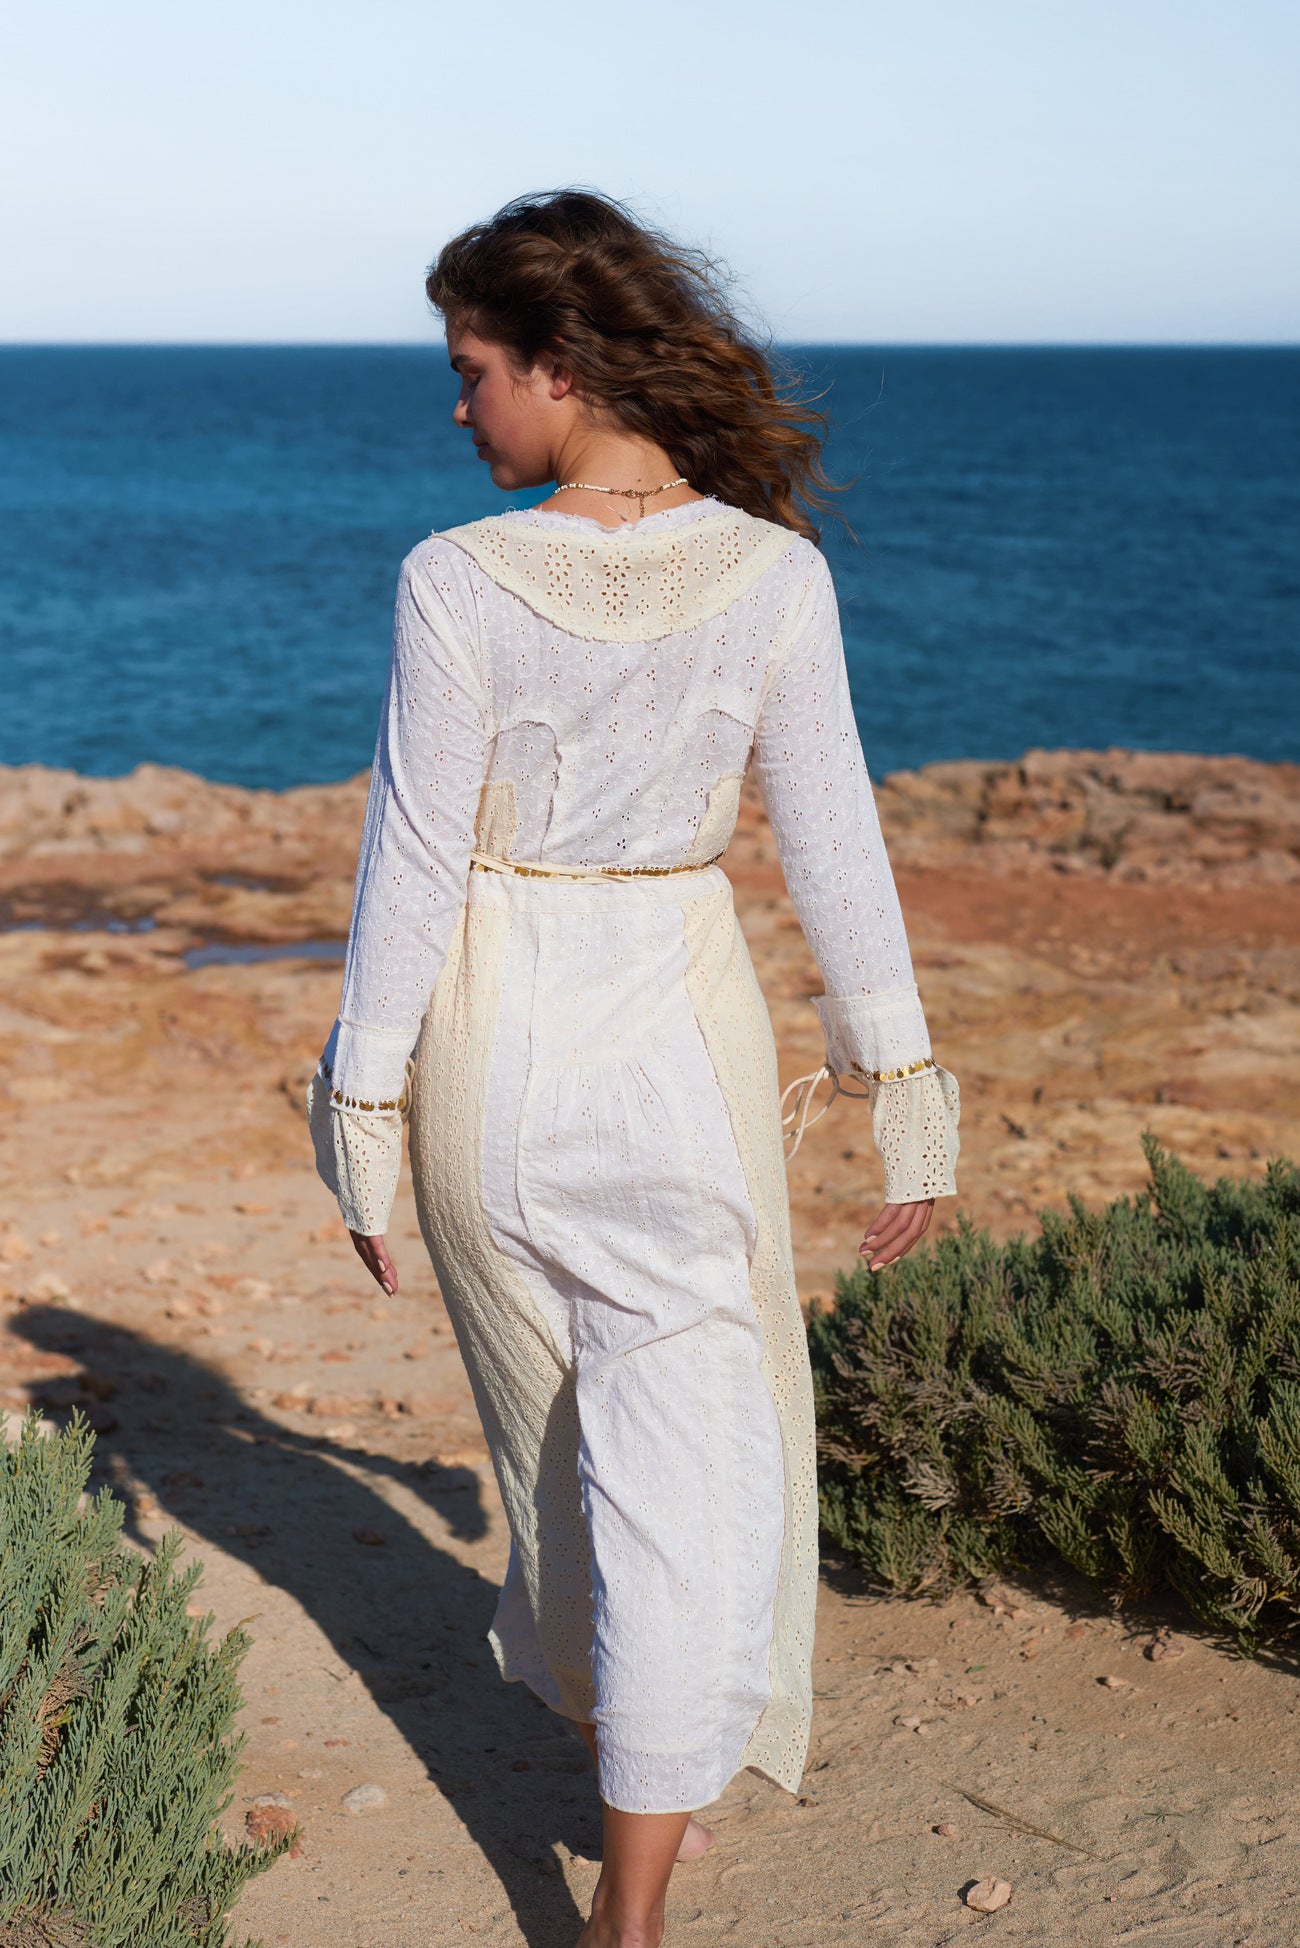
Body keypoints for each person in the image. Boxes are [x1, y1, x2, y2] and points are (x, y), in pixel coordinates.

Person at [309, 189, 959, 1948]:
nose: (457, 406)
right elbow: (834, 842)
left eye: (471, 368)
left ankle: (627, 1758)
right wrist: (901, 1090)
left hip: (492, 1057)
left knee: (554, 1467)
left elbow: (411, 865)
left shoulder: (458, 578)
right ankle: (640, 1893)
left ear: (559, 366)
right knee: (683, 1469)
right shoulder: (775, 575)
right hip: (683, 1037)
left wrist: (361, 1119)